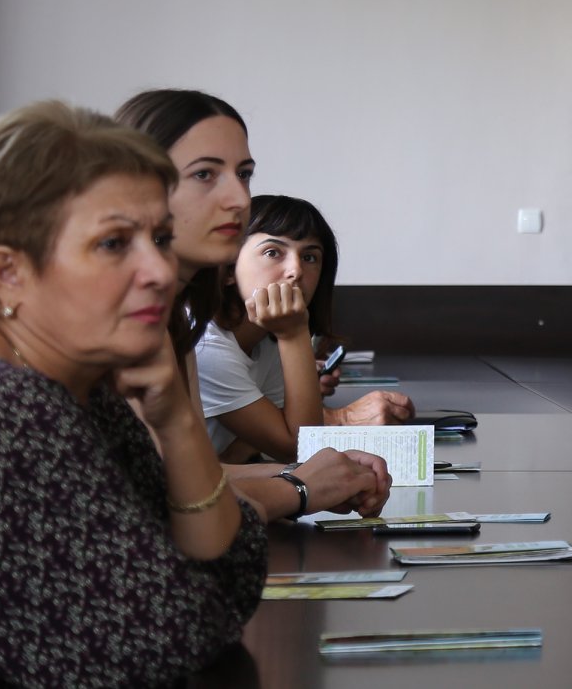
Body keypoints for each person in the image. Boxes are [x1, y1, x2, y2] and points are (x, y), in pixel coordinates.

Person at [0, 101, 267, 685]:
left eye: (160, 237)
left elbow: (232, 574)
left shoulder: (84, 394)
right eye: (112, 244)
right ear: (8, 273)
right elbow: (164, 639)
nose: (159, 270)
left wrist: (177, 421)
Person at [115, 89, 389, 521]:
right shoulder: (129, 320)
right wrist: (300, 486)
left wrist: (323, 474)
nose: (240, 199)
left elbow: (191, 478)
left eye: (243, 174)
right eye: (205, 174)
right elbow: (162, 503)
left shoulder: (176, 323)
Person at [196, 195, 413, 462]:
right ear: (229, 268)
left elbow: (287, 440)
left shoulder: (267, 338)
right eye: (272, 252)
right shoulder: (206, 346)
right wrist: (294, 334)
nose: (296, 270)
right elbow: (298, 446)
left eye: (310, 257)